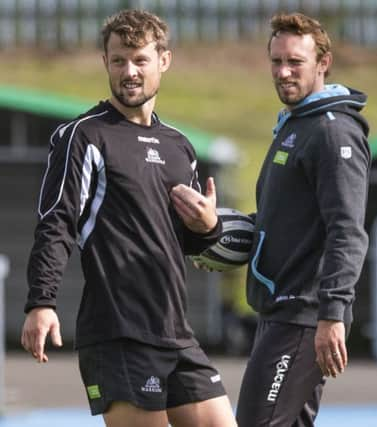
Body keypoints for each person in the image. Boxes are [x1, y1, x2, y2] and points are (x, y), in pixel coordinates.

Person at [20, 9, 237, 427]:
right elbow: (57, 221)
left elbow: (185, 243)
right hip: (118, 334)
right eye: (119, 60)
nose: (129, 71)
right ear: (105, 62)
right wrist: (41, 301)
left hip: (176, 332)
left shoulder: (180, 146)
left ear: (164, 61)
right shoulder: (83, 136)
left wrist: (210, 227)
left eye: (140, 59)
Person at [236, 12, 371, 427]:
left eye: (295, 61)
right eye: (276, 61)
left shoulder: (333, 133)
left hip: (303, 315)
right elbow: (280, 222)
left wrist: (332, 314)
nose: (283, 71)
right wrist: (214, 234)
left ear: (322, 63)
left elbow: (347, 231)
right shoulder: (296, 125)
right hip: (280, 312)